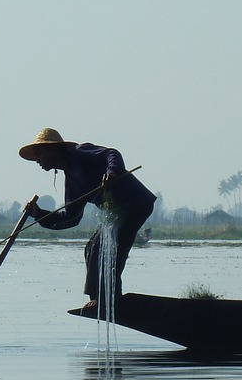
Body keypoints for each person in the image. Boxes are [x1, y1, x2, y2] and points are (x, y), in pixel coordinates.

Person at [18, 128, 156, 303]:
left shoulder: (79, 153)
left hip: (136, 204)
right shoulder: (72, 183)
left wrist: (112, 172)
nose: (37, 160)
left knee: (108, 250)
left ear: (52, 150)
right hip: (116, 213)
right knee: (92, 248)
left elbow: (111, 153)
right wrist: (38, 214)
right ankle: (97, 298)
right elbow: (71, 218)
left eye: (39, 154)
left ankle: (112, 299)